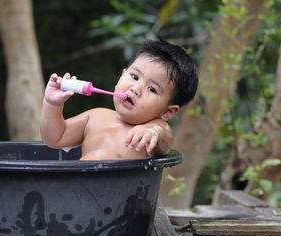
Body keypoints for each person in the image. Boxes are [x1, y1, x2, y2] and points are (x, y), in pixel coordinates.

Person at [40, 39, 198, 160]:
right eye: (134, 77)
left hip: (122, 199)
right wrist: (52, 104)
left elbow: (165, 140)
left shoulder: (153, 128)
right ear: (122, 75)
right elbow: (55, 138)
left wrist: (152, 132)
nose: (136, 89)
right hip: (78, 192)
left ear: (168, 111)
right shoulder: (95, 117)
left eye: (152, 89)